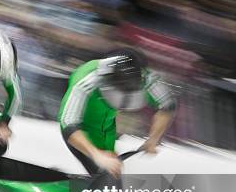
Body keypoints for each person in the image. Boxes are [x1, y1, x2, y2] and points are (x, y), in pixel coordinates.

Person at [58, 48, 175, 177]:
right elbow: (68, 123)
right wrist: (97, 155)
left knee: (110, 174)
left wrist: (153, 140)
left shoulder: (143, 76)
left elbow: (167, 105)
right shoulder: (86, 80)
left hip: (107, 126)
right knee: (104, 172)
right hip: (83, 126)